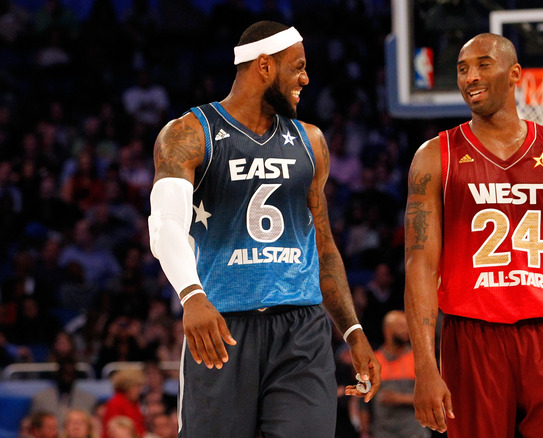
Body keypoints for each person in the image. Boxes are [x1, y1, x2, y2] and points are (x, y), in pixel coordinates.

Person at [147, 20, 380, 438]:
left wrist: (353, 330)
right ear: (265, 66)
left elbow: (323, 246)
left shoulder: (312, 141)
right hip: (223, 328)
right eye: (298, 67)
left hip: (302, 329)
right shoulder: (188, 133)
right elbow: (165, 225)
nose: (306, 79)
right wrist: (192, 295)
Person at [404, 33, 543, 437]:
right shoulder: (435, 155)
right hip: (471, 338)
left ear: (515, 73)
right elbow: (420, 265)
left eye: (483, 64)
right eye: (463, 69)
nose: (471, 76)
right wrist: (425, 366)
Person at [360, 310, 428, 438]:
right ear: (387, 330)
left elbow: (429, 398)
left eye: (408, 326)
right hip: (382, 432)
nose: (406, 331)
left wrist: (398, 398)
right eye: (401, 326)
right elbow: (363, 402)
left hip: (413, 432)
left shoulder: (417, 359)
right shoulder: (374, 360)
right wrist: (364, 431)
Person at [30, 357, 97, 425]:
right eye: (64, 373)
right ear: (57, 374)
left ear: (75, 376)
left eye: (70, 374)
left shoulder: (88, 400)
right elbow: (32, 426)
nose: (67, 378)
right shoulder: (41, 399)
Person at [102, 369, 146, 438]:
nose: (140, 391)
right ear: (126, 386)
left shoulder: (134, 403)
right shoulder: (115, 403)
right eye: (137, 386)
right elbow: (113, 430)